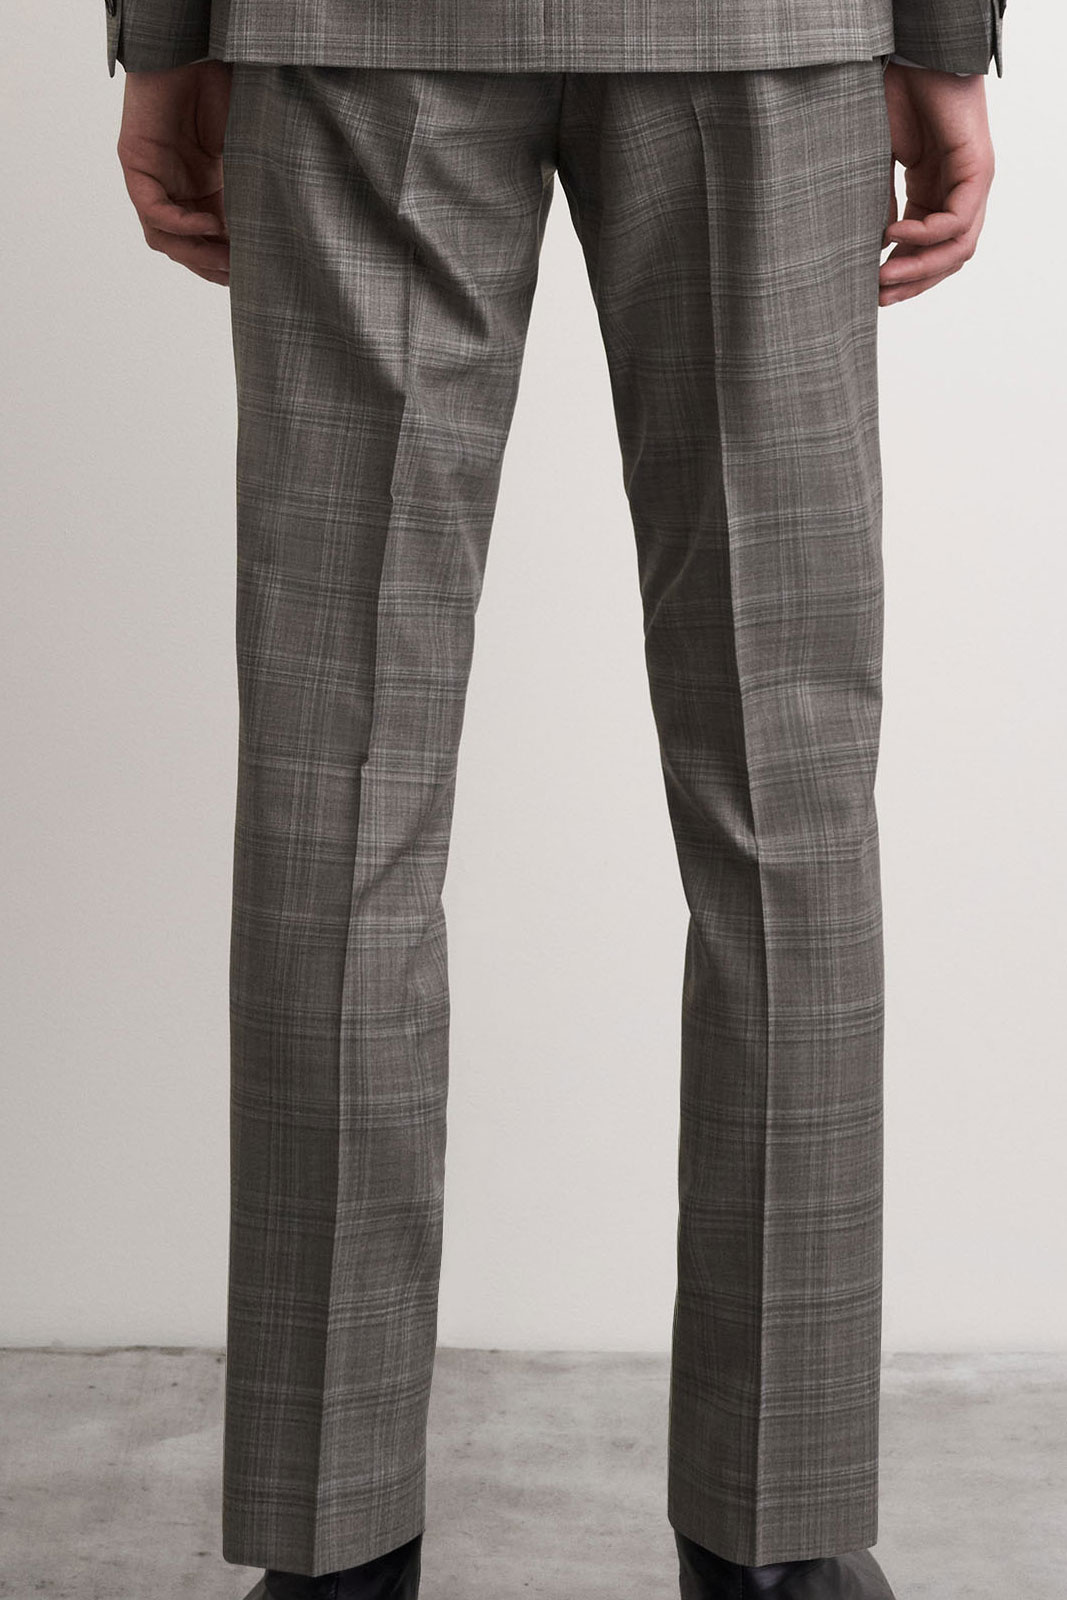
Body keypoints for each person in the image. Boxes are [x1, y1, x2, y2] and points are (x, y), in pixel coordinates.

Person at [105, 0, 1003, 1588]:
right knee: (783, 795)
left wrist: (166, 34)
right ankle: (780, 1544)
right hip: (761, 28)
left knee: (341, 782)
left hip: (356, 30)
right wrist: (943, 40)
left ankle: (331, 1547)